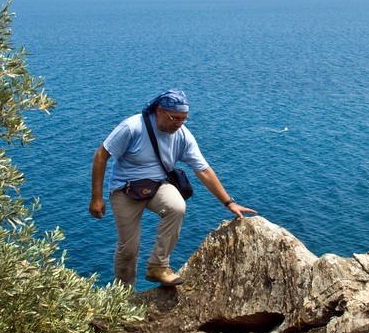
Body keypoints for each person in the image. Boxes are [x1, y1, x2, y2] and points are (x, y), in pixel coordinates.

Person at [89, 89, 256, 287]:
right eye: (174, 118)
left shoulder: (182, 134)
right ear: (159, 111)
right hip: (125, 188)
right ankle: (122, 298)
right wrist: (96, 197)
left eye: (183, 119)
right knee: (129, 249)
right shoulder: (132, 127)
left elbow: (203, 170)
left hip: (158, 184)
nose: (178, 124)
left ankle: (158, 266)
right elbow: (101, 155)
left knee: (176, 207)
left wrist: (229, 203)